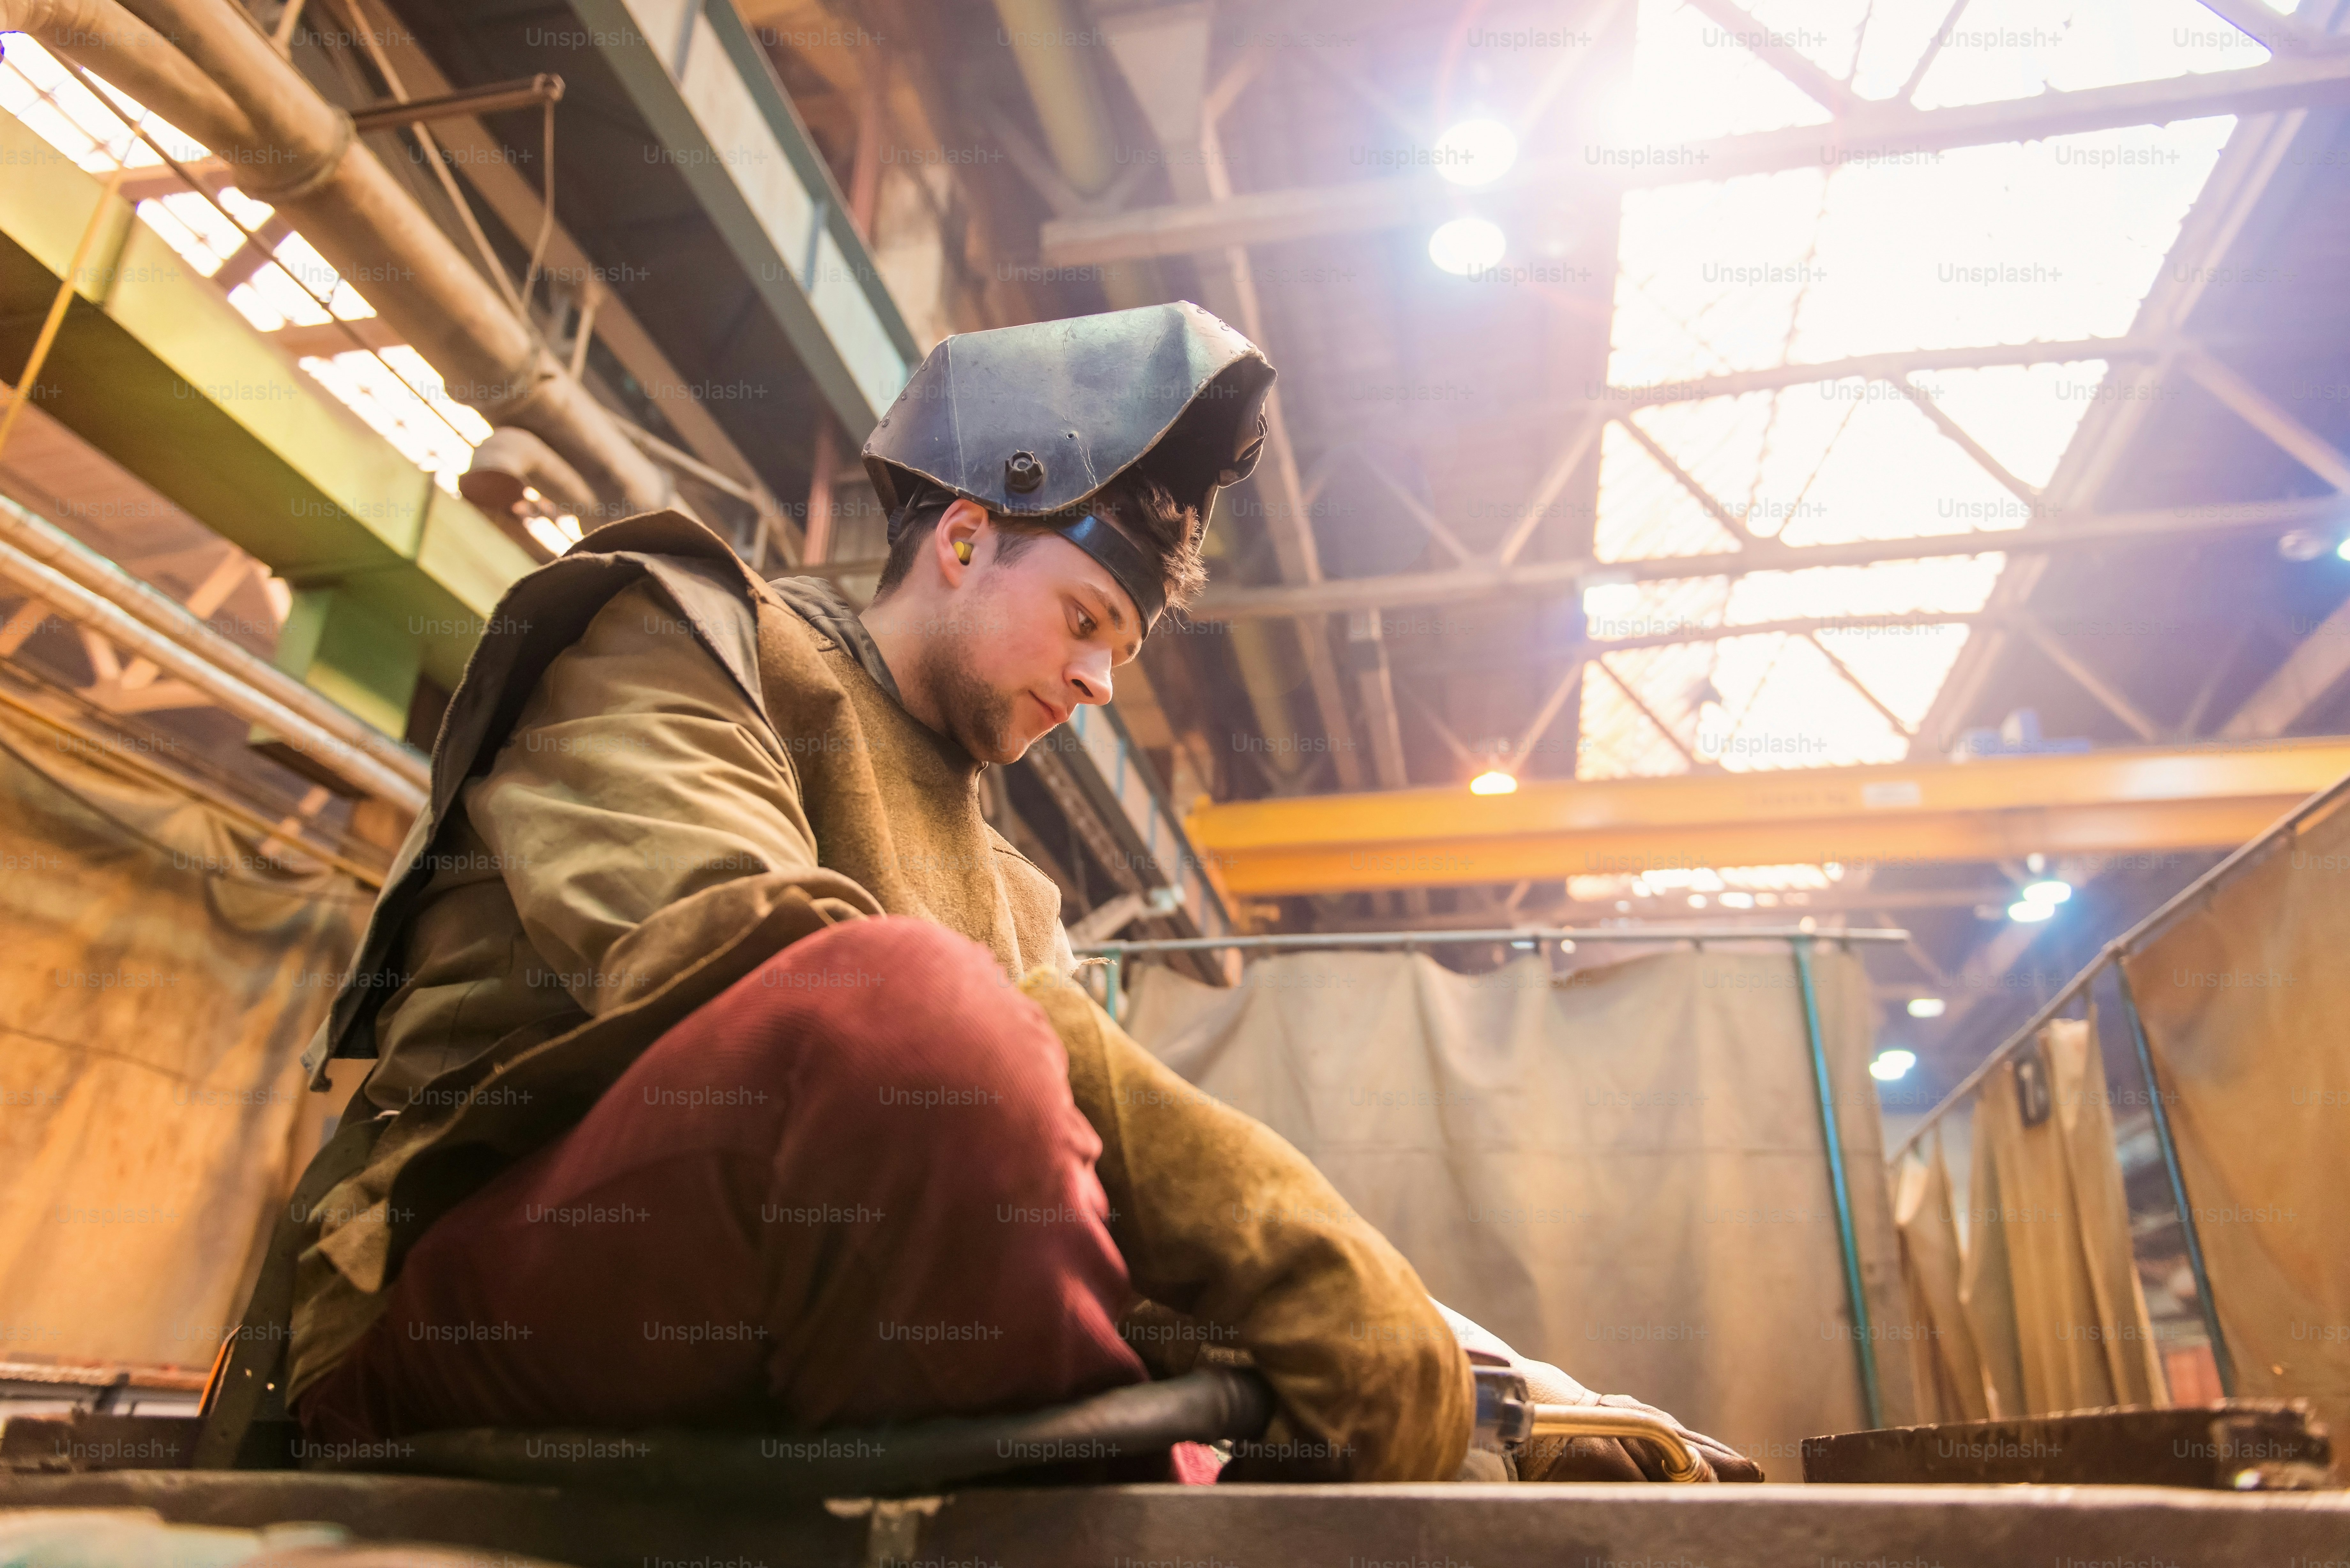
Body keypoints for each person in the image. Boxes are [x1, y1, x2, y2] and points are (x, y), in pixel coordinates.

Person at [284, 301, 1755, 1485]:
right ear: (965, 535)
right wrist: (1285, 1246)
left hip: (791, 1322)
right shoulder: (673, 641)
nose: (1101, 683)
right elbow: (739, 964)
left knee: (1146, 1255)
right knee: (914, 1019)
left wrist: (1493, 1391)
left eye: (1124, 649)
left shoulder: (1006, 888)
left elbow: (1087, 1165)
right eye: (1087, 620)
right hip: (473, 1301)